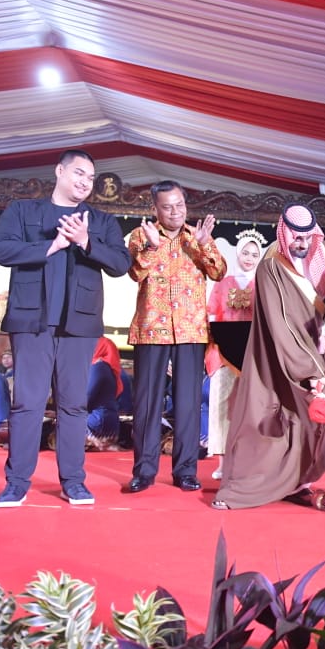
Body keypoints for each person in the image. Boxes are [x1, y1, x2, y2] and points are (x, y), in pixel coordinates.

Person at [0, 149, 131, 508]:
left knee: (73, 405)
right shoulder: (22, 211)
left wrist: (86, 241)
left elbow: (119, 263)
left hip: (79, 325)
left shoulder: (100, 221)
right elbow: (1, 249)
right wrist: (50, 245)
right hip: (31, 320)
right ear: (59, 171)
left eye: (90, 178)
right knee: (27, 404)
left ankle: (73, 481)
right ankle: (16, 483)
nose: (85, 182)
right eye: (78, 174)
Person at [212, 203, 325, 510]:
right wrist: (307, 367)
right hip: (278, 355)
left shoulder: (319, 260)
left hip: (316, 351)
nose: (303, 244)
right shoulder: (270, 267)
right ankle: (244, 488)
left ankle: (298, 481)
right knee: (266, 416)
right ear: (284, 233)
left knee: (308, 423)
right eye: (297, 237)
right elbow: (279, 322)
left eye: (308, 238)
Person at [125, 180, 225, 494]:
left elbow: (219, 271)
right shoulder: (141, 235)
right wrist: (152, 247)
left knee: (188, 404)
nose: (175, 212)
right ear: (155, 209)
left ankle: (185, 471)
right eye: (167, 207)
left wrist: (205, 244)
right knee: (147, 404)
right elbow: (135, 273)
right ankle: (144, 470)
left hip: (190, 330)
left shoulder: (197, 236)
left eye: (179, 205)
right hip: (151, 329)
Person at [206, 228, 266, 480]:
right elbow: (211, 315)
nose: (249, 258)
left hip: (252, 353)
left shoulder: (263, 286)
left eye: (254, 254)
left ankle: (248, 461)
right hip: (224, 353)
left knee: (252, 408)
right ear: (237, 253)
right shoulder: (223, 283)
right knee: (221, 406)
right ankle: (222, 462)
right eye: (245, 252)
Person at [86, 336, 122, 450]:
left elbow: (87, 398)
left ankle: (93, 440)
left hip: (97, 422)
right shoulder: (111, 370)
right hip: (109, 423)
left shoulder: (98, 367)